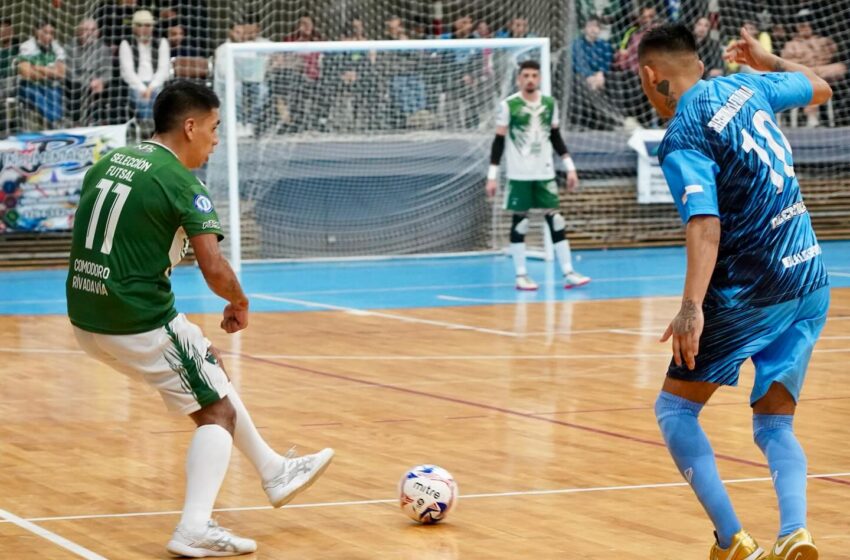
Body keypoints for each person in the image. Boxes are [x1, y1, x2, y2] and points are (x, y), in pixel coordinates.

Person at [65, 80, 334, 557]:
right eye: (212, 129)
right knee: (217, 412)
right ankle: (195, 527)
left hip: (87, 314)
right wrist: (240, 301)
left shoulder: (108, 161)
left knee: (209, 368)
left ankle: (274, 471)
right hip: (137, 316)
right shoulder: (182, 182)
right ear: (189, 126)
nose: (214, 140)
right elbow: (213, 268)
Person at [638, 23, 832, 560]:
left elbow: (704, 223)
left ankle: (733, 542)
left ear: (652, 77)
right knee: (774, 421)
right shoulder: (745, 86)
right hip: (810, 275)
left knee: (675, 411)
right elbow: (821, 87)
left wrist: (690, 308)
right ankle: (795, 532)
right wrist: (767, 60)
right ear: (699, 65)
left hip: (753, 289)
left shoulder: (683, 135)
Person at [486, 60, 590, 291]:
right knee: (520, 222)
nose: (530, 79)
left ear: (539, 78)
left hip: (544, 173)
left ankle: (568, 271)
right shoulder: (508, 105)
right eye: (526, 75)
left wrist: (569, 166)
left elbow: (555, 137)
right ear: (518, 79)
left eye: (534, 75)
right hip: (518, 175)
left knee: (556, 219)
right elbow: (498, 141)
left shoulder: (549, 103)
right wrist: (492, 175)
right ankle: (521, 275)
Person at [119, 10, 170, 123]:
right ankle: (148, 127)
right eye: (140, 25)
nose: (144, 28)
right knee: (142, 100)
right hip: (136, 85)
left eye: (148, 25)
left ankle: (148, 128)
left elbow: (163, 70)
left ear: (152, 27)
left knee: (158, 98)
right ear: (133, 27)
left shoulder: (162, 42)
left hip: (156, 84)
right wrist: (143, 88)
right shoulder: (126, 43)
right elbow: (128, 72)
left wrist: (150, 88)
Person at [17, 20, 66, 127]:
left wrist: (36, 67)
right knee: (36, 95)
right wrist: (50, 71)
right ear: (37, 31)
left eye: (52, 33)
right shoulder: (27, 46)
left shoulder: (57, 48)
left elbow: (61, 74)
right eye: (45, 32)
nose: (49, 36)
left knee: (55, 94)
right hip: (30, 86)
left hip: (51, 86)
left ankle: (55, 124)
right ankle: (55, 123)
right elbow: (27, 73)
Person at [65, 18, 112, 125]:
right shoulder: (70, 47)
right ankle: (76, 123)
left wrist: (101, 81)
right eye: (86, 30)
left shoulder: (103, 48)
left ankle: (104, 122)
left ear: (98, 32)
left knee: (114, 88)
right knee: (74, 87)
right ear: (78, 32)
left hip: (98, 84)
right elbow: (70, 72)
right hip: (77, 82)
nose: (89, 33)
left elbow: (108, 71)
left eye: (93, 30)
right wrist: (88, 83)